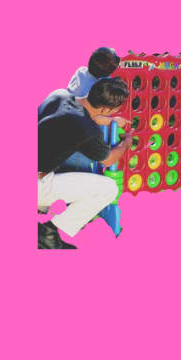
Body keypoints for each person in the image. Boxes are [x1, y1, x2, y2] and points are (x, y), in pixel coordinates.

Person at [38, 77, 132, 249]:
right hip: (38, 185)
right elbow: (109, 159)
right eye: (112, 111)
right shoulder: (87, 130)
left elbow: (79, 115)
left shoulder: (58, 95)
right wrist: (126, 142)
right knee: (109, 188)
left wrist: (110, 120)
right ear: (105, 109)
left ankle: (41, 208)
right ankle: (48, 234)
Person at [59, 47, 128, 173]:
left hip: (65, 130)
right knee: (77, 171)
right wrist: (113, 121)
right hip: (78, 145)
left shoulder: (81, 71)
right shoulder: (93, 89)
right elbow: (93, 116)